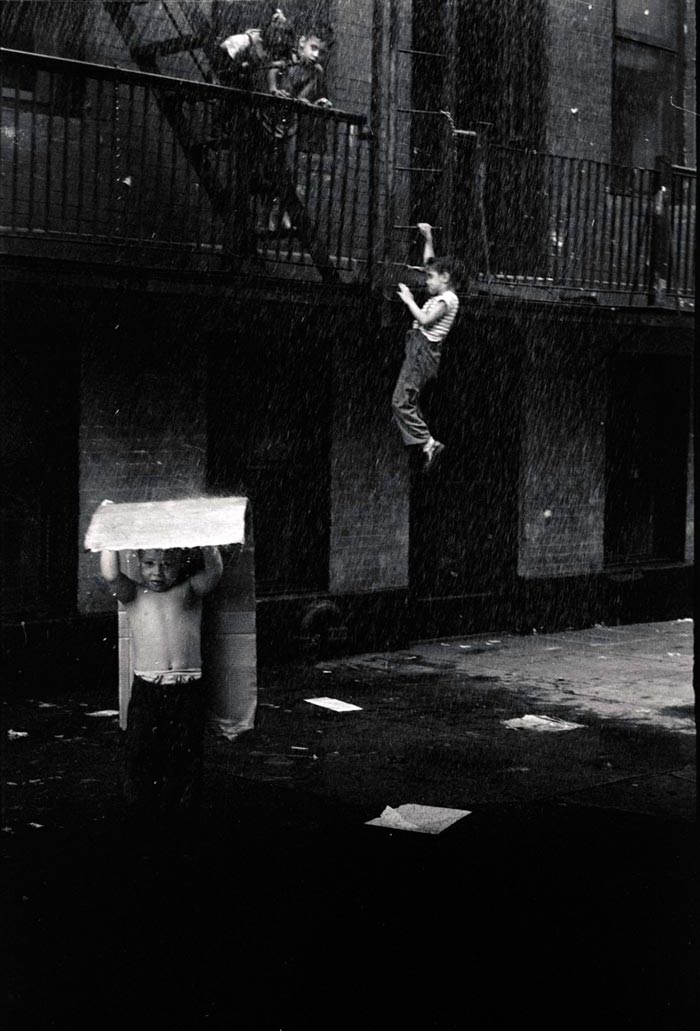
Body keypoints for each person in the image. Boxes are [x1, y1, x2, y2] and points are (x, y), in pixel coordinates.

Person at [100, 545, 223, 840]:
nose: (158, 572)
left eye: (168, 564)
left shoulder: (190, 590)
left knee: (185, 756)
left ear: (181, 564)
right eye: (150, 563)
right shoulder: (134, 595)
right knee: (141, 756)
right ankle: (139, 823)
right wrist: (109, 537)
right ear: (139, 564)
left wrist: (206, 537)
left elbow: (215, 572)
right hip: (148, 690)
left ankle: (181, 823)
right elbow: (110, 574)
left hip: (187, 688)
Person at [392, 223, 461, 470]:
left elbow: (424, 320)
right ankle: (424, 440)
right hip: (419, 350)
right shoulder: (441, 292)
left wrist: (409, 300)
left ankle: (427, 442)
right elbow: (429, 262)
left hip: (423, 352)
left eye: (431, 278)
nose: (426, 280)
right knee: (409, 401)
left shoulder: (448, 299)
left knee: (400, 402)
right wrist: (428, 237)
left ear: (446, 278)